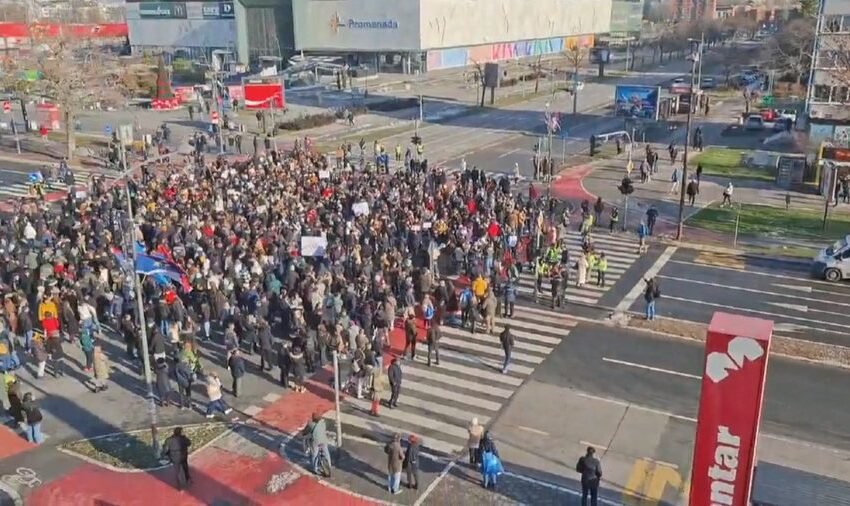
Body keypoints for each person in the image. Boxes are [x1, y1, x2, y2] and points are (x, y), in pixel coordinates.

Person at [301, 412, 332, 476]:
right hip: (323, 440)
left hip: (315, 441)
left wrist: (303, 433)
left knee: (314, 455)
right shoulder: (323, 423)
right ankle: (329, 466)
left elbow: (305, 432)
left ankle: (315, 469)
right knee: (326, 453)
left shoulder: (310, 424)